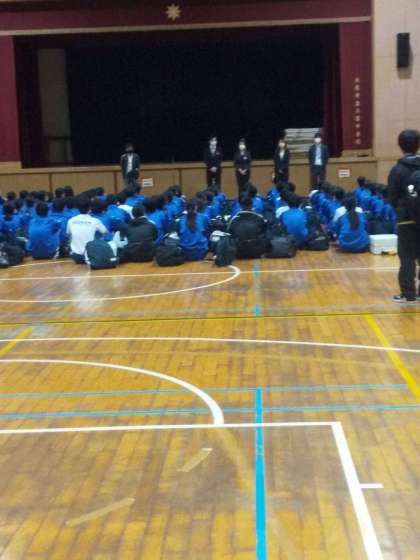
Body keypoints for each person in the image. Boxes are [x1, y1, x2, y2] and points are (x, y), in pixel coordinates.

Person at [388, 129, 420, 303]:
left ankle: (409, 293)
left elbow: (392, 197)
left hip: (406, 219)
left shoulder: (397, 170)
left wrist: (401, 209)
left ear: (400, 145)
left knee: (407, 257)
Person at [66, 195, 108, 263]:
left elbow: (68, 236)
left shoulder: (70, 221)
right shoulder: (95, 221)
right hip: (91, 256)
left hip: (76, 257)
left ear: (77, 208)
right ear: (90, 207)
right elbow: (105, 232)